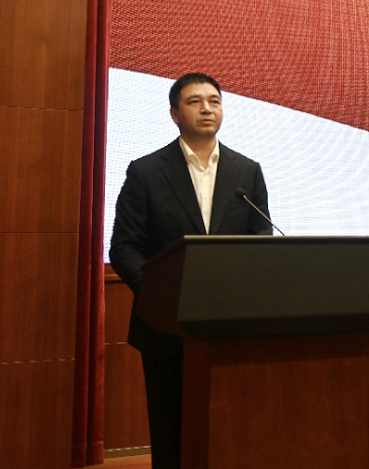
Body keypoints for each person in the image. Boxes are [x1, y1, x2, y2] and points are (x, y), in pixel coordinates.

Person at [110, 73, 272, 469]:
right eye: (194, 101)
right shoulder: (146, 171)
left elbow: (261, 237)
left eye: (214, 101)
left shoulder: (247, 171)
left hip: (231, 323)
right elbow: (125, 247)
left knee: (230, 425)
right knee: (172, 430)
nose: (207, 109)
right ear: (174, 114)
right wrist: (162, 296)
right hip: (166, 325)